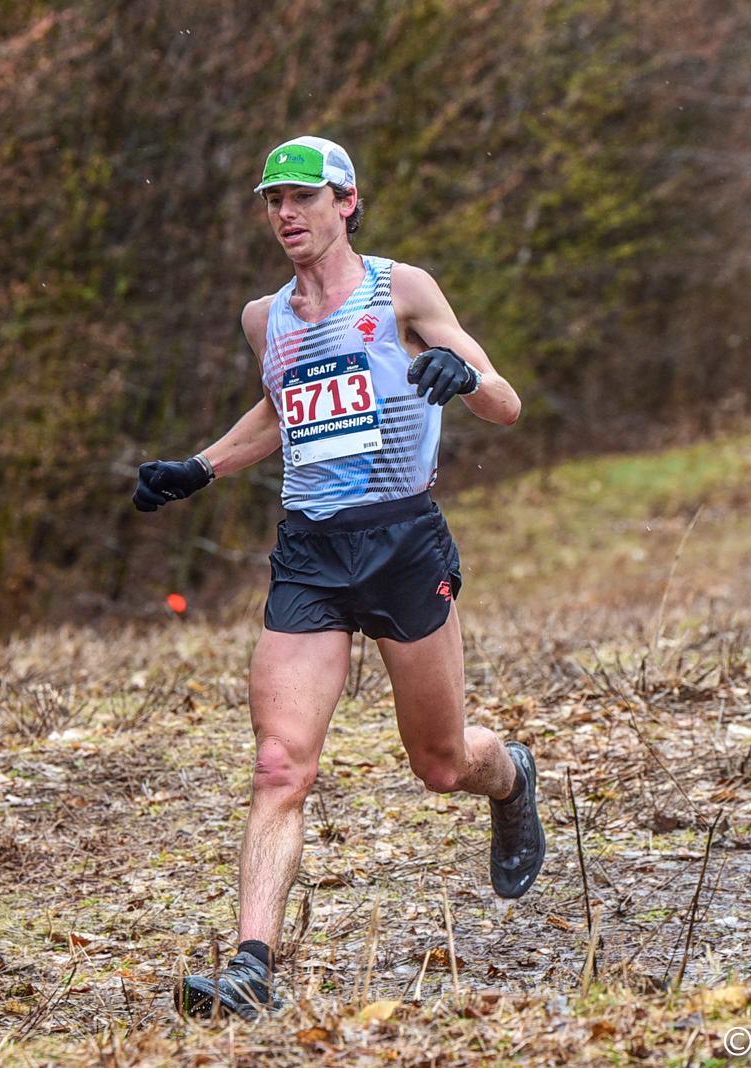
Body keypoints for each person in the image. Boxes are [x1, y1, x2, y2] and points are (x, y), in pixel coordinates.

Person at [133, 136, 545, 1020]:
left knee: (440, 764)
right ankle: (251, 968)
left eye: (304, 198)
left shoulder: (402, 290)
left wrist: (463, 376)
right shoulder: (263, 318)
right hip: (311, 554)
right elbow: (283, 407)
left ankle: (510, 774)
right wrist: (200, 467)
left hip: (403, 545)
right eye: (273, 201)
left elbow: (505, 402)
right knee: (278, 763)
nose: (286, 214)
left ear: (346, 202)